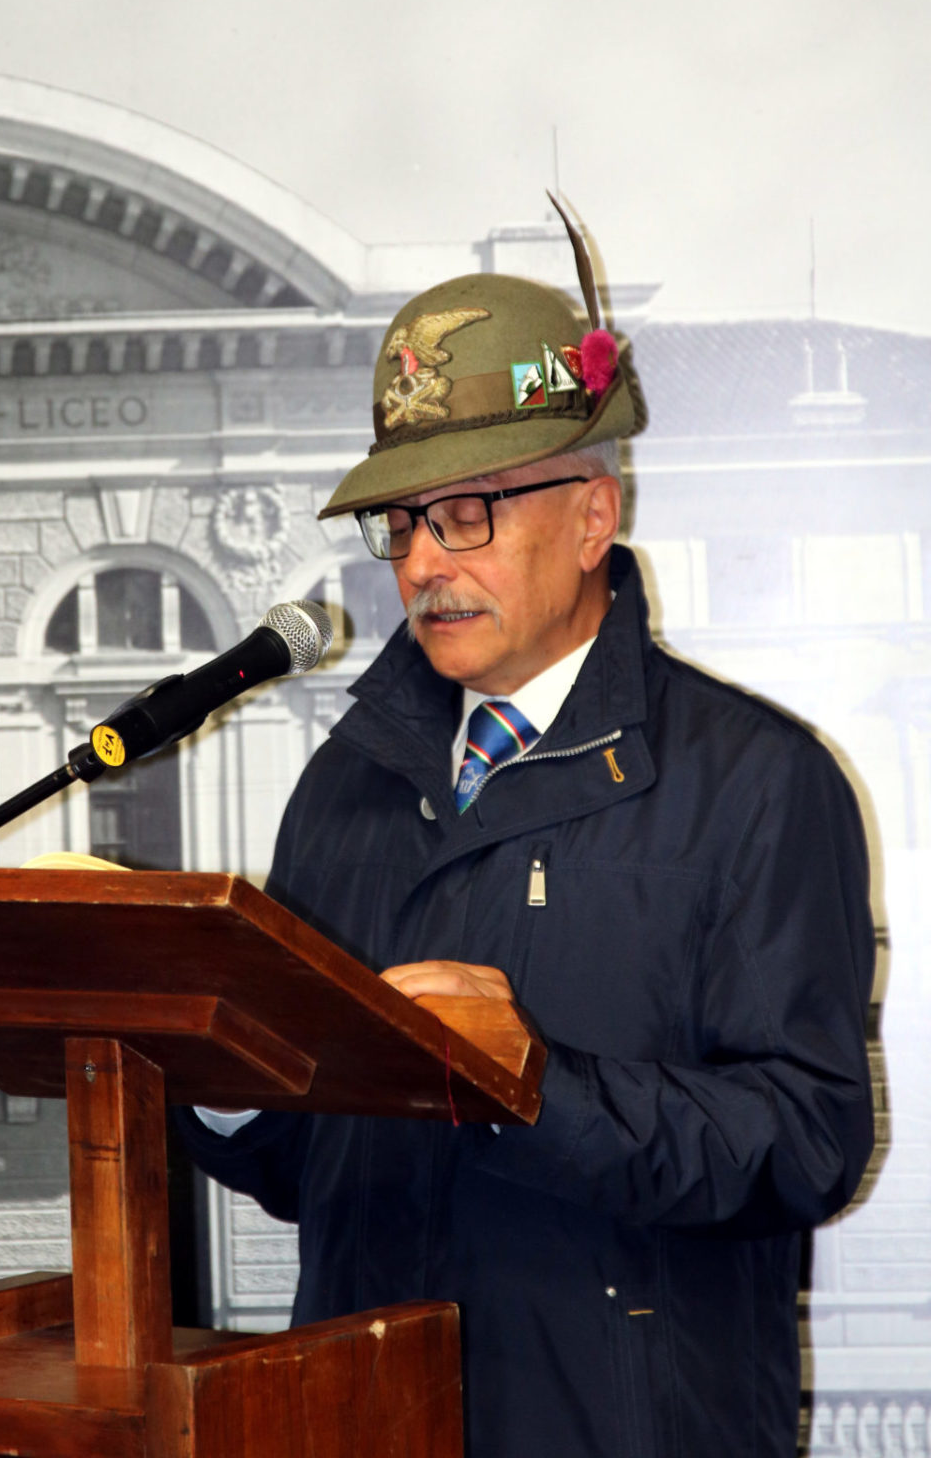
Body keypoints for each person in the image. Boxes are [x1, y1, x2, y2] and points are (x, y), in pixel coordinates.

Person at [180, 220, 875, 1458]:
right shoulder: (345, 785)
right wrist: (218, 1072)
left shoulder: (760, 784)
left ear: (593, 514)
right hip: (361, 1423)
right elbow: (307, 1164)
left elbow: (806, 1144)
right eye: (401, 523)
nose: (422, 563)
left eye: (466, 514)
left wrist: (540, 1087)